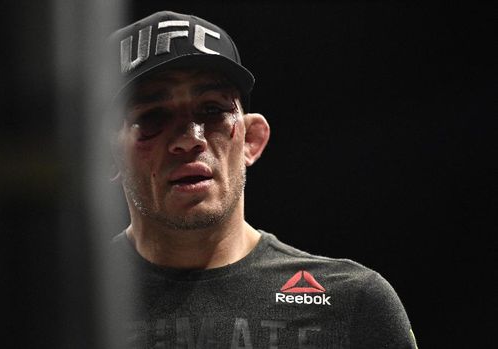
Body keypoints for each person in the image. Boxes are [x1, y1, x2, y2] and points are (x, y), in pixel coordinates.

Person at [107, 10, 418, 348]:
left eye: (212, 110)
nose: (189, 138)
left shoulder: (352, 305)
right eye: (153, 116)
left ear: (251, 140)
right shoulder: (58, 303)